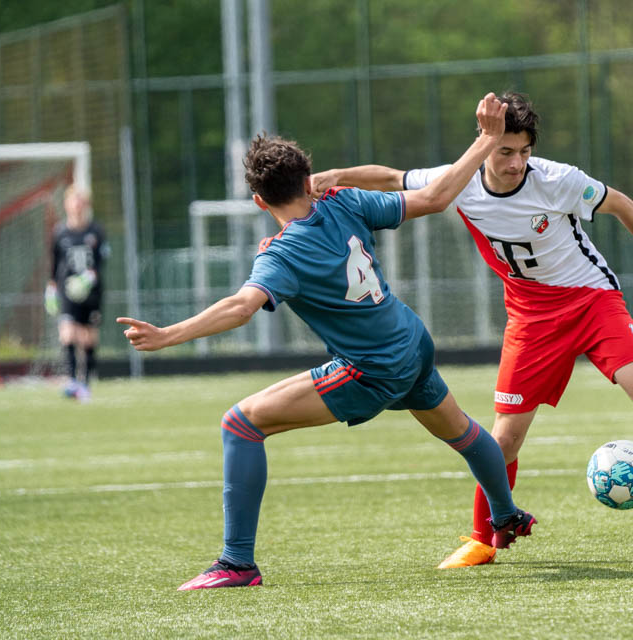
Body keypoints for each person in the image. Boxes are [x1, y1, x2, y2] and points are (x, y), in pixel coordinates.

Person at [311, 92, 633, 570]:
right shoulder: (460, 181)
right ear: (485, 146)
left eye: (524, 152)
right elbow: (392, 178)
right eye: (506, 152)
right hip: (529, 318)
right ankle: (483, 540)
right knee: (504, 438)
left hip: (591, 300)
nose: (516, 163)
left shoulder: (557, 180)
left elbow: (620, 203)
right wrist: (338, 176)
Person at [117, 93, 535, 590]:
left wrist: (169, 335)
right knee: (463, 434)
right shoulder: (345, 199)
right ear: (309, 178)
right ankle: (505, 515)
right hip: (411, 340)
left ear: (258, 201)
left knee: (240, 426)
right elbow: (435, 198)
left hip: (372, 368)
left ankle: (236, 564)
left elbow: (240, 307)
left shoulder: (283, 252)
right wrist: (484, 140)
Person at [46, 185, 109, 402]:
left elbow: (102, 260)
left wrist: (90, 277)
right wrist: (52, 286)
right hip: (67, 291)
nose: (77, 205)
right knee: (68, 333)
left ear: (86, 205)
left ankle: (86, 383)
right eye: (74, 200)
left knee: (88, 337)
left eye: (81, 201)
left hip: (91, 292)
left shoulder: (95, 231)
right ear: (67, 204)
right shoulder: (60, 232)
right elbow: (54, 262)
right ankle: (72, 380)